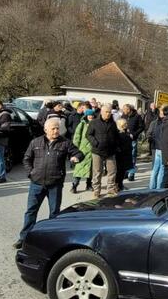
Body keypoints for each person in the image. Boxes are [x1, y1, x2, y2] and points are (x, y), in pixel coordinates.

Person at [14, 118, 84, 248]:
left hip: (55, 183)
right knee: (31, 211)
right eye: (53, 128)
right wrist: (31, 173)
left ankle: (52, 241)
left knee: (54, 213)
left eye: (57, 128)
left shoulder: (65, 143)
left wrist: (76, 157)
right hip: (37, 183)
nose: (56, 130)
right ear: (46, 129)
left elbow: (79, 153)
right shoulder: (36, 142)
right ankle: (24, 238)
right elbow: (27, 159)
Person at [88, 104, 120, 198]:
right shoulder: (94, 122)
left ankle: (110, 189)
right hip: (97, 151)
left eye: (110, 112)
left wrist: (116, 146)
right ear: (101, 112)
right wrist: (95, 143)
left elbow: (116, 136)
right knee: (97, 172)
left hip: (110, 151)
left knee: (112, 171)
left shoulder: (113, 123)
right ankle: (96, 191)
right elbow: (89, 135)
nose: (108, 114)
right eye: (106, 112)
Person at [69, 106, 95, 193]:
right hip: (82, 150)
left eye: (92, 115)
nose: (90, 117)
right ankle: (74, 186)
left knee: (91, 169)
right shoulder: (82, 124)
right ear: (86, 116)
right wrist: (76, 149)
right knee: (79, 169)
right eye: (89, 115)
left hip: (92, 150)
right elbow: (77, 137)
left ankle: (89, 185)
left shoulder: (95, 124)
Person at [147, 106, 167, 189]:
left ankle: (151, 188)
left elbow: (148, 134)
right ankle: (159, 189)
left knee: (155, 169)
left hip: (156, 148)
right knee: (161, 170)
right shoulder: (164, 123)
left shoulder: (155, 122)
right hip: (160, 148)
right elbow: (149, 134)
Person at [122, 103, 143, 181]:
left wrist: (134, 134)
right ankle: (126, 173)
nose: (123, 111)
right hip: (124, 139)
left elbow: (141, 127)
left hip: (132, 139)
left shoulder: (137, 116)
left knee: (132, 157)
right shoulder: (123, 116)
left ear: (128, 109)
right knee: (125, 157)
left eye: (124, 109)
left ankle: (132, 174)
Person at [115, 118, 134, 191]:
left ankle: (120, 184)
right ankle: (117, 185)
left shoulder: (126, 132)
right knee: (119, 172)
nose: (127, 125)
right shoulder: (118, 133)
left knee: (123, 171)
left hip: (126, 154)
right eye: (125, 124)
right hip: (120, 155)